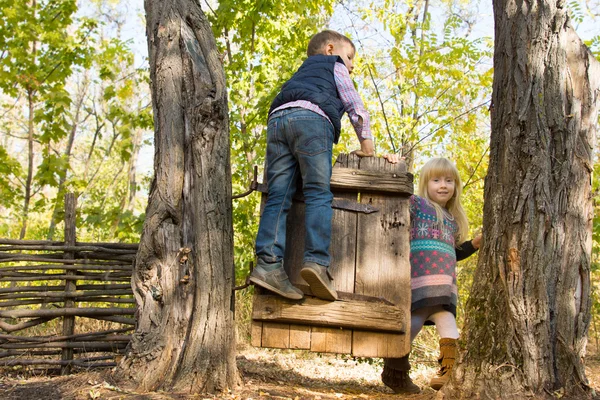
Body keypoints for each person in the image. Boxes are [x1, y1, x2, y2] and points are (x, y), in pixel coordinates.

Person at [250, 30, 375, 301]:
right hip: (313, 121)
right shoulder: (335, 66)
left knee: (278, 196)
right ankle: (317, 262)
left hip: (277, 121)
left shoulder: (299, 73)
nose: (352, 65)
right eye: (350, 56)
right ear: (331, 49)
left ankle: (268, 265)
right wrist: (368, 146)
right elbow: (353, 103)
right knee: (317, 192)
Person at [382, 155, 482, 394]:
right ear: (425, 184)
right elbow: (395, 196)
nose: (443, 185)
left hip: (444, 287)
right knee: (410, 328)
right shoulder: (417, 204)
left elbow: (453, 253)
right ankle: (394, 372)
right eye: (436, 180)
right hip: (418, 284)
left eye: (449, 180)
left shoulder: (452, 221)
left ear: (455, 186)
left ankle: (446, 373)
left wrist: (474, 244)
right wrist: (394, 165)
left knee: (448, 324)